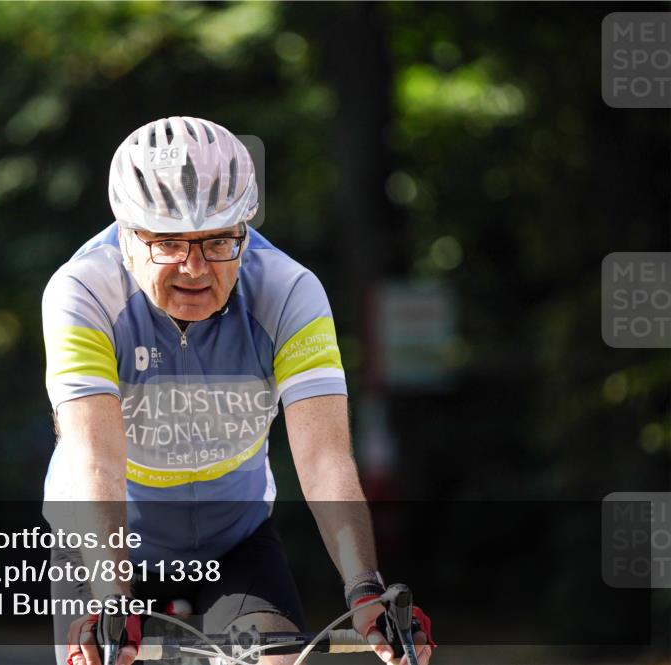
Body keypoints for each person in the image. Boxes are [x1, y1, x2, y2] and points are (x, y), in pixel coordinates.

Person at [42, 117, 433, 665]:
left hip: (233, 542)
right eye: (169, 243)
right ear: (127, 235)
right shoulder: (83, 292)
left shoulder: (288, 290)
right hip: (105, 540)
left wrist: (364, 588)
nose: (196, 269)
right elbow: (95, 457)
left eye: (219, 241)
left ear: (245, 231)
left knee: (273, 660)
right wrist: (112, 598)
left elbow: (324, 459)